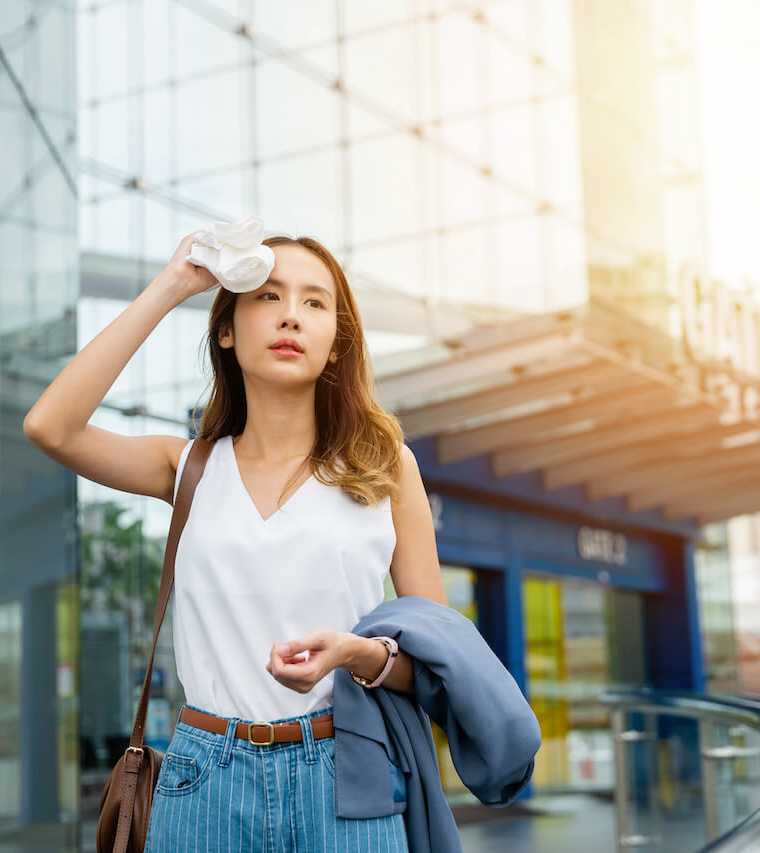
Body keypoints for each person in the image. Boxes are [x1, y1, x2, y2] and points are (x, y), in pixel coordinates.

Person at [23, 230, 450, 851]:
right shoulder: (190, 467)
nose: (289, 316)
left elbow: (437, 665)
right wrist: (173, 285)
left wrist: (356, 654)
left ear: (336, 343)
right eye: (267, 296)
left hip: (344, 774)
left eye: (314, 303)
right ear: (226, 329)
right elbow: (50, 426)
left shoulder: (388, 469)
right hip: (204, 782)